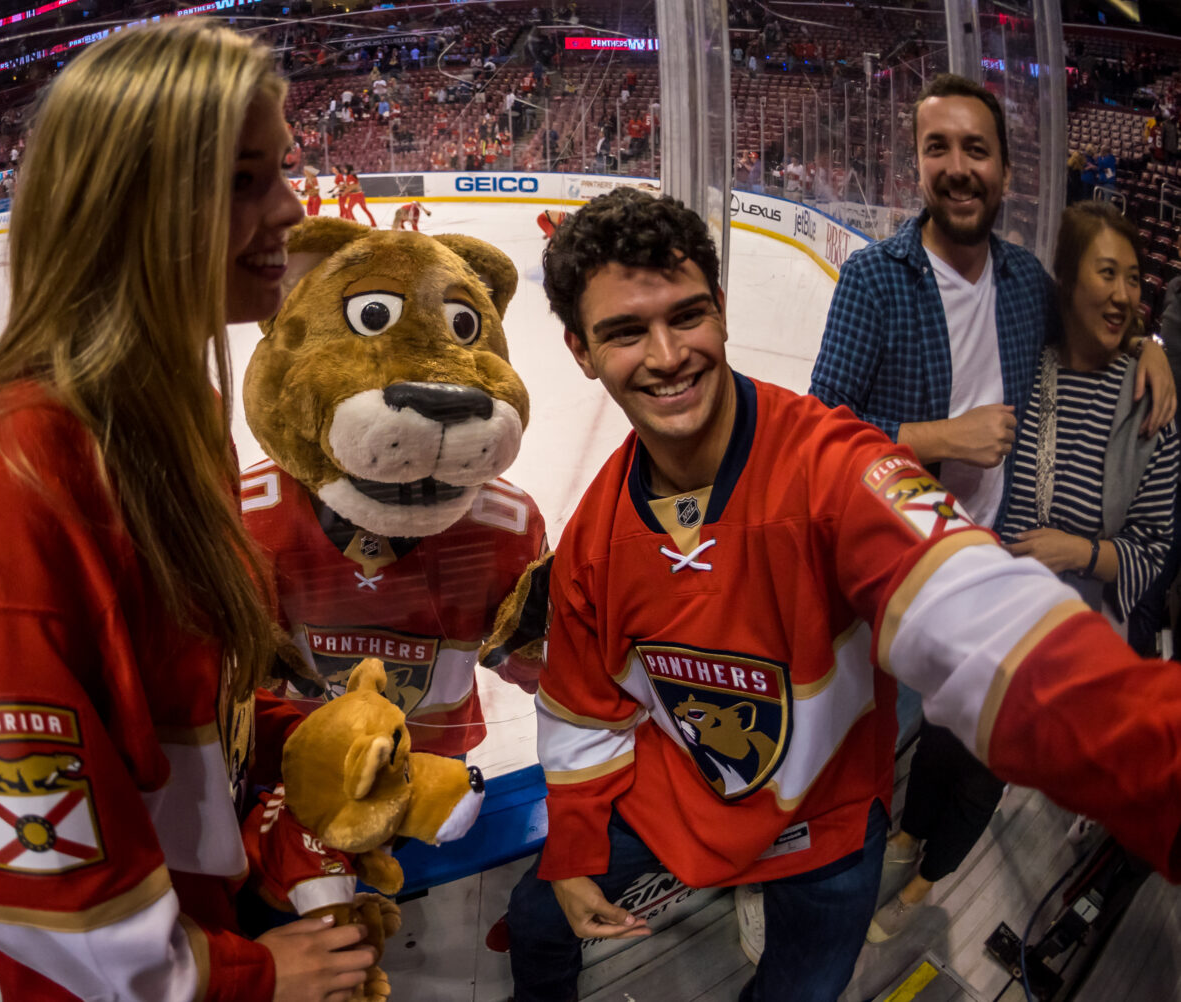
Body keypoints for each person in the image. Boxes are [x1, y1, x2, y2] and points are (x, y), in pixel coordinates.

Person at [503, 188, 1181, 1002]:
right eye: (624, 332)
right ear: (580, 351)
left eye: (686, 316)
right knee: (538, 917)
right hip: (679, 802)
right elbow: (582, 706)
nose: (667, 354)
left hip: (826, 833)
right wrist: (575, 847)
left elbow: (988, 620)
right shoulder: (591, 540)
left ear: (722, 308)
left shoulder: (843, 468)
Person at [0, 21, 375, 1002]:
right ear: (135, 208)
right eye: (246, 181)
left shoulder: (179, 412)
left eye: (281, 171)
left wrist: (310, 741)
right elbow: (35, 875)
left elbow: (197, 691)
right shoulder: (15, 467)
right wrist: (246, 977)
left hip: (222, 915)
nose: (292, 209)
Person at [810, 74, 1176, 945]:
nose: (957, 167)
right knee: (867, 749)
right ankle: (823, 873)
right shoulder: (875, 280)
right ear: (919, 165)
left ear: (1005, 173)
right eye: (939, 148)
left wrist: (1158, 345)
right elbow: (819, 432)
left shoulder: (1020, 284)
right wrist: (939, 435)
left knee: (969, 754)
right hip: (891, 568)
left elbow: (1106, 313)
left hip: (992, 574)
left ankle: (908, 873)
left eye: (976, 149)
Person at [1000, 202, 1178, 637]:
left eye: (1134, 278)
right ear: (1067, 280)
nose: (1124, 294)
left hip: (1076, 639)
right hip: (992, 619)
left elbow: (1150, 552)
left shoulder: (1147, 403)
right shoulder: (1021, 365)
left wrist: (1078, 553)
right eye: (1107, 272)